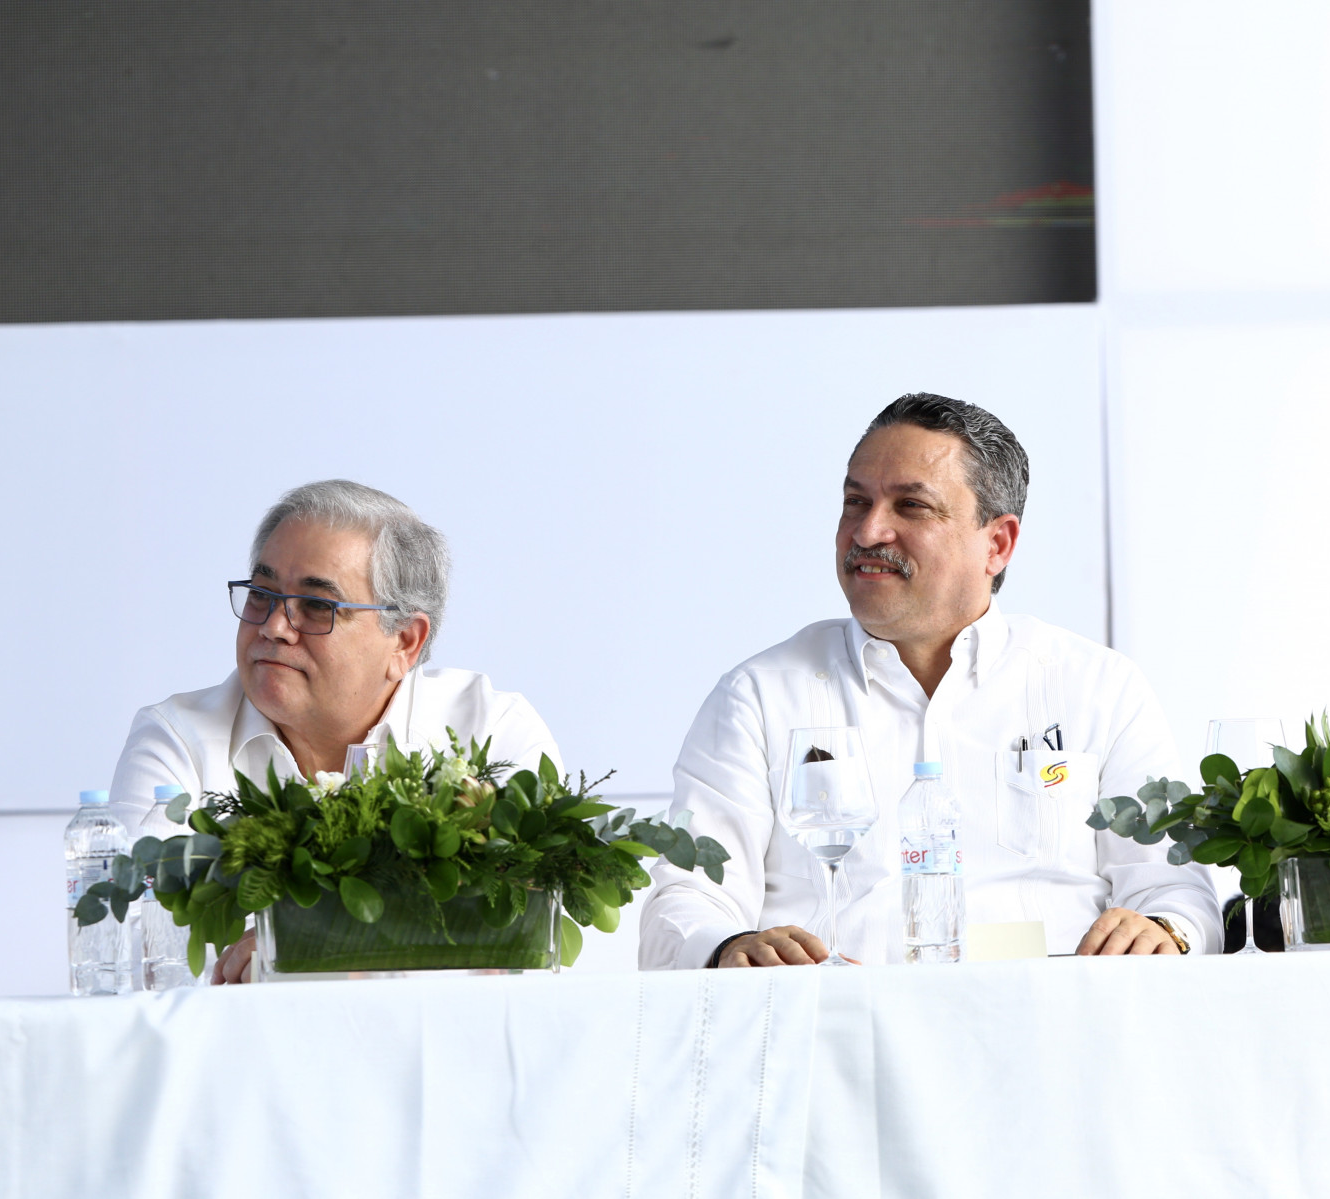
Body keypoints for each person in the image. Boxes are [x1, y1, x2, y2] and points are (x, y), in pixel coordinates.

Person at [638, 394, 1221, 969]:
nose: (868, 531)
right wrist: (727, 946)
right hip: (836, 1019)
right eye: (855, 502)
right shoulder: (760, 696)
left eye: (911, 506)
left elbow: (1175, 892)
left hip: (1047, 1015)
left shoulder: (1098, 687)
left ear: (997, 544)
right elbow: (686, 901)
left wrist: (1164, 929)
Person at [109, 479, 561, 980]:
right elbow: (137, 947)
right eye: (261, 594)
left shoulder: (490, 728)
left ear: (405, 642)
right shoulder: (176, 739)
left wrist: (307, 941)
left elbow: (524, 937)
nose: (273, 626)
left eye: (317, 606)